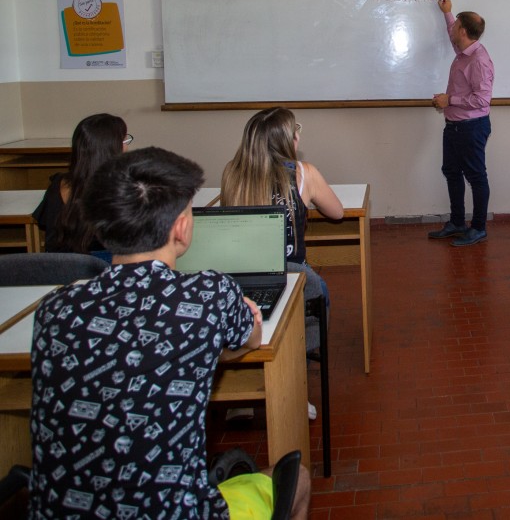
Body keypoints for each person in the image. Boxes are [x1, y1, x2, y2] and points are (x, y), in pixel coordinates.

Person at [29, 147, 311, 520]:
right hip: (176, 512)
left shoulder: (53, 310)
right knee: (299, 480)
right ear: (181, 227)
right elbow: (253, 339)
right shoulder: (209, 295)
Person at [222, 107, 343, 356]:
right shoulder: (303, 173)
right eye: (295, 130)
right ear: (287, 140)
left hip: (241, 274)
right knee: (319, 290)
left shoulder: (232, 173)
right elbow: (337, 213)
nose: (298, 135)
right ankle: (303, 358)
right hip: (293, 273)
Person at [426, 0, 495, 247]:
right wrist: (448, 13)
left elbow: (482, 100)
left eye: (455, 25)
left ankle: (478, 228)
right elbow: (452, 34)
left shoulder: (479, 60)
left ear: (463, 31)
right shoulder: (464, 50)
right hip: (455, 126)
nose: (452, 28)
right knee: (452, 172)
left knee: (476, 177)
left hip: (471, 127)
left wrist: (449, 100)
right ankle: (457, 223)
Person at [32, 112, 131, 258]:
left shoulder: (57, 185)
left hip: (61, 271)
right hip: (108, 272)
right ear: (111, 149)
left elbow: (48, 233)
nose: (127, 148)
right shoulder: (126, 188)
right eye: (124, 141)